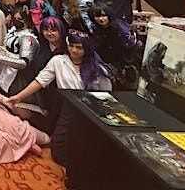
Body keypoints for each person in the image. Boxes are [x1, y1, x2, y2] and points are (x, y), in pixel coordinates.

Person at [6, 29, 112, 165]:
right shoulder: (58, 61)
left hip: (89, 110)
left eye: (79, 47)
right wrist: (18, 97)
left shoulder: (97, 69)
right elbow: (40, 81)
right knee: (58, 149)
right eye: (71, 46)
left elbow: (106, 95)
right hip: (68, 108)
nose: (74, 50)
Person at [88, 3, 143, 89]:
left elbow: (133, 44)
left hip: (126, 62)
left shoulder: (120, 27)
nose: (101, 19)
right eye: (97, 16)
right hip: (107, 64)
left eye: (103, 15)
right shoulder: (94, 29)